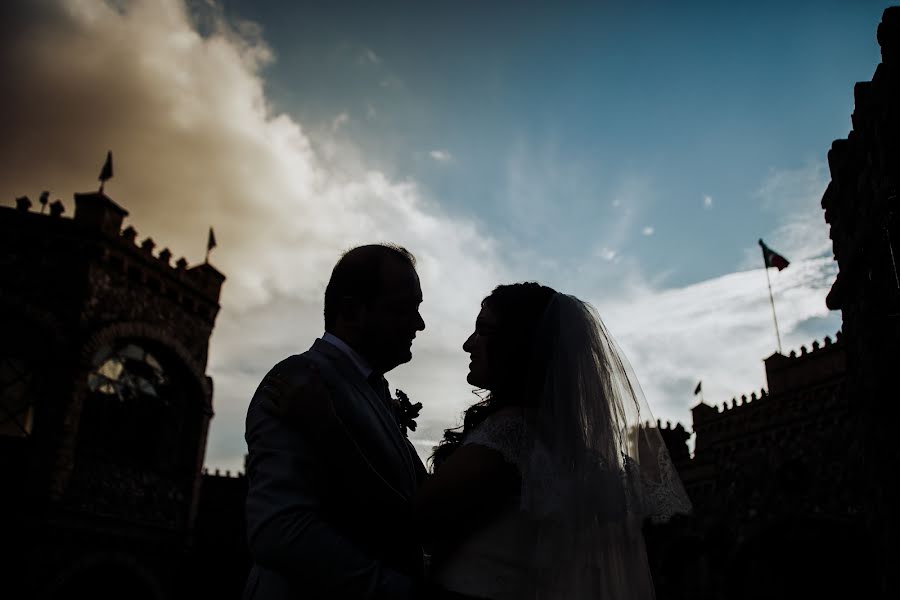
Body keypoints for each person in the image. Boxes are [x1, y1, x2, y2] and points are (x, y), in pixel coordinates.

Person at [416, 282, 692, 600]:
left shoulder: (508, 437)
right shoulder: (559, 443)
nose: (469, 344)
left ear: (516, 345)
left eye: (484, 332)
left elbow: (413, 522)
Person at [243, 244, 428, 600]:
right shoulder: (298, 380)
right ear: (352, 311)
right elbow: (281, 531)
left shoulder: (375, 392)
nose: (419, 324)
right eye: (405, 308)